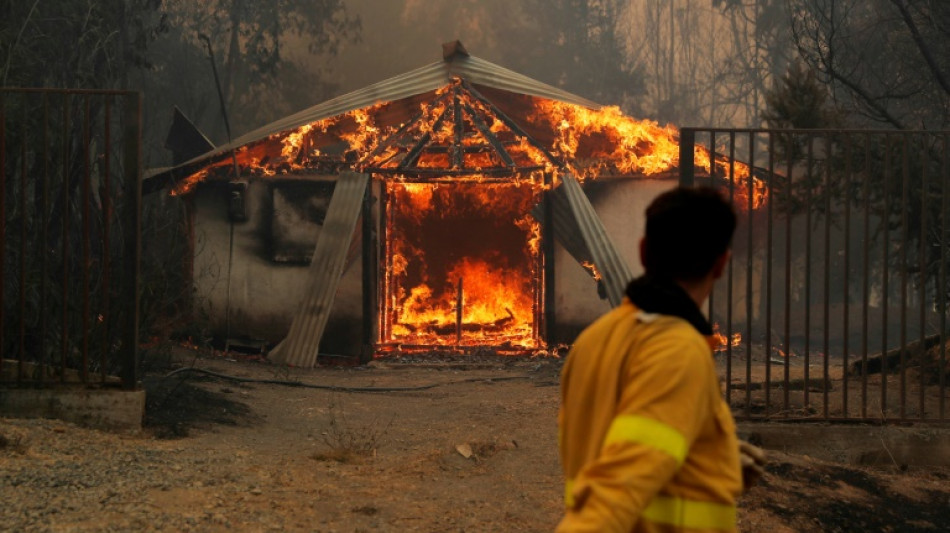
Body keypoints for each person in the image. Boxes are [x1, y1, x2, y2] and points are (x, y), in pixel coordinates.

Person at [557, 186, 764, 532]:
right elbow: (617, 489)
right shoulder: (679, 351)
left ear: (643, 252)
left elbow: (622, 441)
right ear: (721, 264)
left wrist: (714, 458)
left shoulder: (592, 341)